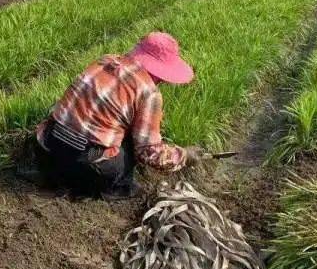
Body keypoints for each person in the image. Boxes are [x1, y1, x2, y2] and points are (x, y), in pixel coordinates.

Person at [35, 32, 203, 200]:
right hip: (84, 162)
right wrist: (184, 155)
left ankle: (55, 175)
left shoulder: (106, 61)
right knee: (128, 155)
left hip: (47, 146)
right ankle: (115, 189)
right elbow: (150, 153)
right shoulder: (149, 93)